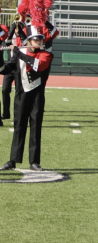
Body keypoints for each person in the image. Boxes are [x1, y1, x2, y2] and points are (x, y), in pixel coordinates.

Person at [0, 23, 53, 171]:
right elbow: (4, 70)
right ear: (29, 41)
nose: (40, 42)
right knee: (19, 126)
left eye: (40, 40)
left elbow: (37, 65)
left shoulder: (46, 54)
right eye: (36, 40)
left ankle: (34, 162)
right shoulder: (19, 54)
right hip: (21, 95)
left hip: (36, 96)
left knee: (35, 128)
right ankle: (13, 160)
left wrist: (18, 52)